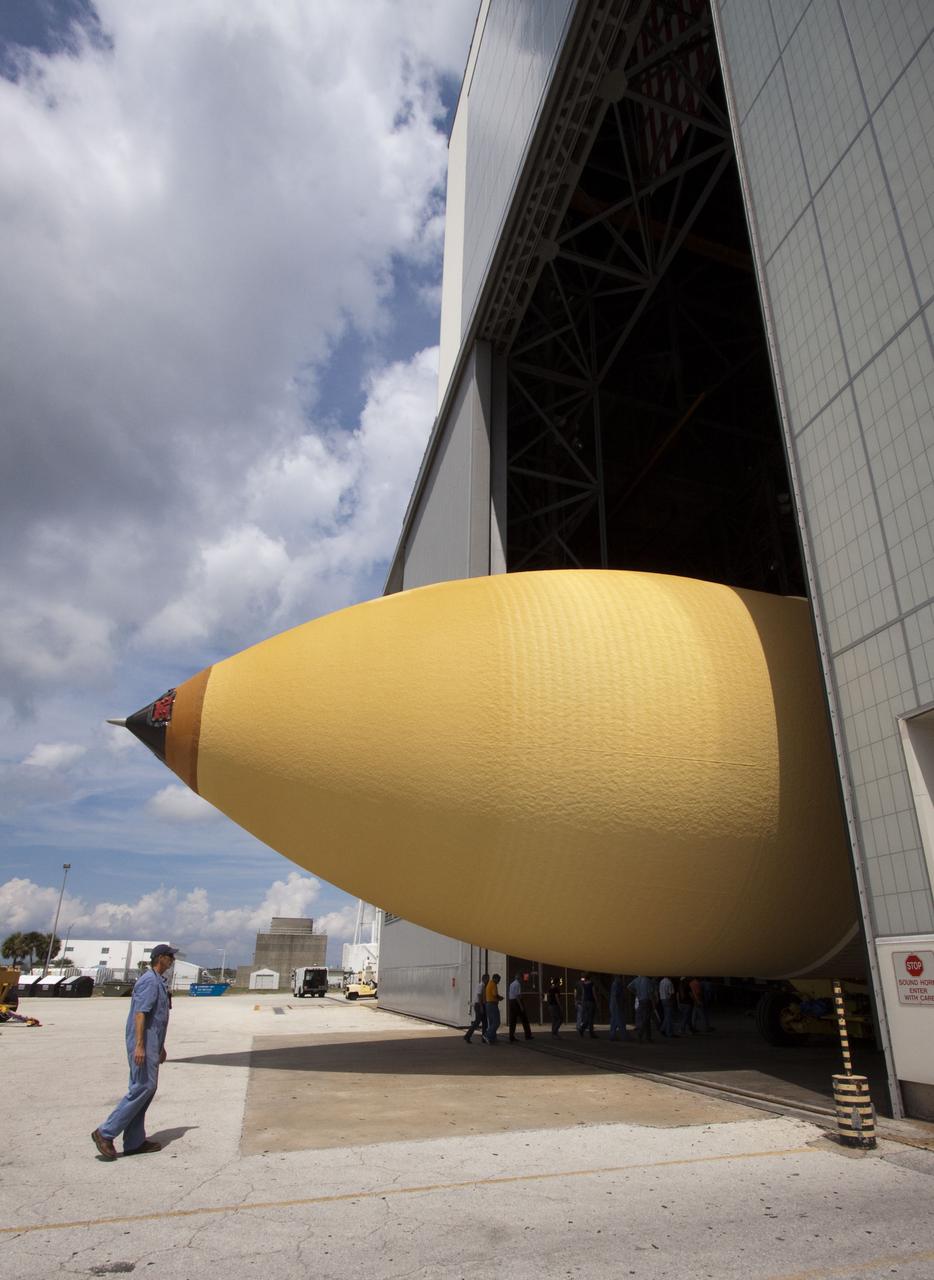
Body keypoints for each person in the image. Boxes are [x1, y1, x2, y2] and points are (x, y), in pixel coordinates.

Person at [91, 943, 176, 1160]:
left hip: (152, 1042)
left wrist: (161, 1045)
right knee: (143, 1087)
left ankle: (134, 1141)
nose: (172, 960)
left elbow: (158, 1019)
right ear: (159, 958)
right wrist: (140, 1045)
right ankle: (105, 1132)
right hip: (143, 1042)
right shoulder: (149, 981)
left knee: (146, 1090)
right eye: (169, 956)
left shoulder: (159, 982)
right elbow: (140, 1014)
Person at [628, 974, 657, 1042]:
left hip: (641, 1000)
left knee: (646, 1019)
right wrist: (654, 1004)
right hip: (647, 1001)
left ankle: (648, 1037)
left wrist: (636, 993)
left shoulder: (637, 979)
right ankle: (640, 1034)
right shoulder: (647, 980)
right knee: (646, 1019)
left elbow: (629, 987)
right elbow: (651, 993)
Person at [464, 972, 489, 1043]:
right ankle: (467, 1036)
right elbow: (479, 996)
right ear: (484, 979)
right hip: (479, 1005)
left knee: (485, 1022)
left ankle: (484, 1037)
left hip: (481, 1004)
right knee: (477, 1022)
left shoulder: (484, 986)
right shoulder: (481, 986)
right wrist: (481, 1007)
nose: (488, 980)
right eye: (487, 979)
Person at [507, 973, 533, 1041]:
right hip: (516, 1002)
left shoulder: (512, 983)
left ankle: (511, 1036)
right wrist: (521, 1006)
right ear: (520, 978)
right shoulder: (518, 984)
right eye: (522, 978)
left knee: (513, 1020)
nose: (522, 980)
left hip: (511, 1002)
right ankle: (528, 1035)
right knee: (524, 1019)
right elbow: (517, 996)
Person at [484, 972, 503, 1044]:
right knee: (496, 1022)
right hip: (492, 1005)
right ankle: (487, 1035)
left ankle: (492, 1038)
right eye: (498, 980)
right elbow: (495, 995)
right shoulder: (493, 984)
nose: (499, 982)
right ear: (495, 978)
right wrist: (500, 998)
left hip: (488, 1005)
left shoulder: (489, 983)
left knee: (491, 1022)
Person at [608, 974, 629, 1041]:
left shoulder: (615, 984)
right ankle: (624, 1036)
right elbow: (616, 995)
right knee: (621, 1021)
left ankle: (612, 1035)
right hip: (616, 1005)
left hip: (613, 1004)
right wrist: (620, 1004)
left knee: (614, 1021)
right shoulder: (617, 984)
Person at [578, 973, 597, 1037]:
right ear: (590, 978)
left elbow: (583, 993)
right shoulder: (592, 984)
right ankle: (591, 1033)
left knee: (586, 1017)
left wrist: (582, 1001)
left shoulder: (584, 985)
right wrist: (596, 1001)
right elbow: (594, 993)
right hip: (591, 1001)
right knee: (591, 1018)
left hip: (585, 1002)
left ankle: (582, 1028)